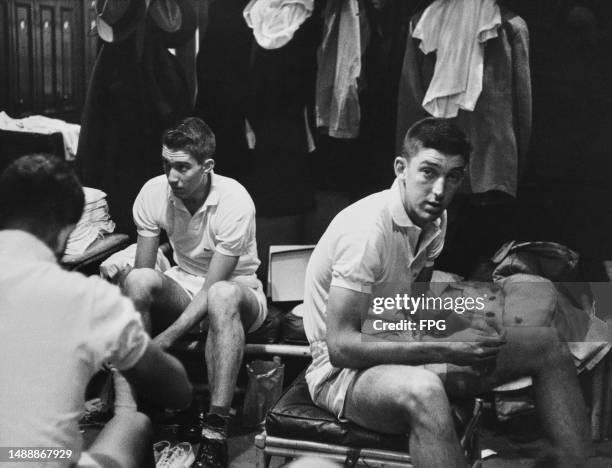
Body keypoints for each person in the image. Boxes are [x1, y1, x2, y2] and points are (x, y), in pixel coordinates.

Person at [302, 118, 590, 467]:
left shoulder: (434, 220)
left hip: (393, 340)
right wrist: (445, 346)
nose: (439, 190)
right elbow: (341, 347)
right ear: (401, 169)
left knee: (546, 343)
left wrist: (466, 324)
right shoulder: (365, 231)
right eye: (429, 172)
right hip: (340, 376)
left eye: (452, 176)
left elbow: (406, 305)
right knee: (425, 391)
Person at [0, 154, 192, 468]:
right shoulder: (86, 298)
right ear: (65, 231)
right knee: (134, 423)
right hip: (31, 460)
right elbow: (178, 392)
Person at [122, 117, 267, 467]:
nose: (173, 177)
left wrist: (164, 340)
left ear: (207, 167)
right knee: (136, 280)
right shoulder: (155, 191)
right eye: (167, 165)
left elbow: (214, 286)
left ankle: (215, 431)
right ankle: (144, 411)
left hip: (238, 289)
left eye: (183, 168)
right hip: (184, 281)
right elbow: (145, 270)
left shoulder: (235, 200)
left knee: (220, 297)